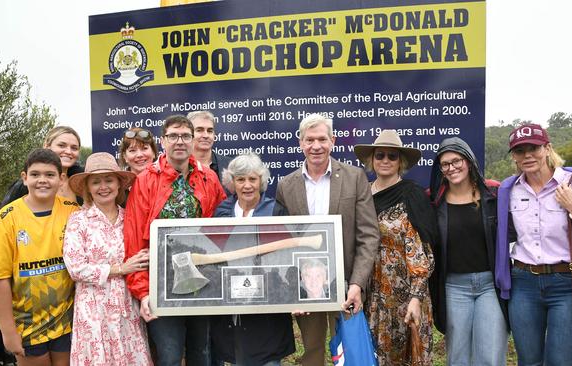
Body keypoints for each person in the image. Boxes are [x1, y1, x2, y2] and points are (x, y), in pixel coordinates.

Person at [495, 124, 572, 365]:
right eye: (519, 151)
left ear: (547, 148)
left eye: (534, 148)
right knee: (528, 362)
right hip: (523, 284)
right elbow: (502, 233)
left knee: (559, 362)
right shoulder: (509, 189)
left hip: (567, 285)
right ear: (514, 157)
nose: (527, 155)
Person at [275, 113, 380, 366]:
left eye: (322, 138)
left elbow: (368, 235)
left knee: (350, 351)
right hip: (305, 286)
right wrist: (291, 287)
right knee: (311, 353)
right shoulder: (286, 186)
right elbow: (283, 241)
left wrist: (357, 284)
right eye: (309, 139)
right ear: (300, 142)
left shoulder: (355, 178)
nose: (316, 146)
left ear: (332, 140)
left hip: (345, 286)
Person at [123, 114, 226, 366]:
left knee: (201, 354)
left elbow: (223, 227)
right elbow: (134, 240)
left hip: (203, 282)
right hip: (162, 286)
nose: (179, 141)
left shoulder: (208, 178)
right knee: (169, 356)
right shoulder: (146, 180)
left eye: (185, 136)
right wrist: (143, 291)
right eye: (173, 136)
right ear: (163, 140)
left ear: (193, 141)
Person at [0, 148, 79, 365]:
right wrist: (8, 332)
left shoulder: (72, 211)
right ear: (24, 178)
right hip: (27, 323)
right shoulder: (7, 217)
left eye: (49, 175)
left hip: (67, 321)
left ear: (61, 178)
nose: (42, 181)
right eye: (35, 174)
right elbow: (0, 279)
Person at [353, 129, 437, 365]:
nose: (386, 161)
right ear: (372, 159)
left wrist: (416, 298)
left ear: (401, 162)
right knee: (374, 356)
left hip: (405, 293)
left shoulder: (412, 195)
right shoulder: (362, 194)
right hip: (370, 292)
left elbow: (421, 251)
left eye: (392, 156)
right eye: (380, 155)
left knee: (405, 356)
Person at [63, 152, 152, 365]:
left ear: (119, 184)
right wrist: (120, 268)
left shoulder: (130, 218)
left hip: (126, 305)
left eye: (109, 180)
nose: (103, 186)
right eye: (96, 181)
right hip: (93, 309)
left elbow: (142, 256)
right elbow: (76, 269)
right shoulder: (78, 220)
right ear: (88, 188)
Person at [210, 153, 295, 366]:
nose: (247, 185)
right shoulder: (221, 213)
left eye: (252, 179)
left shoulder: (276, 211)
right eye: (240, 179)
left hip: (268, 304)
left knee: (268, 360)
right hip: (233, 304)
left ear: (261, 181)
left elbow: (286, 258)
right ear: (232, 183)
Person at [429, 137, 508, 366]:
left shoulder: (493, 194)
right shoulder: (434, 200)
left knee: (490, 356)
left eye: (457, 161)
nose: (452, 168)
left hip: (489, 285)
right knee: (458, 356)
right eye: (445, 164)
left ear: (469, 161)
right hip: (454, 286)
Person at [1, 126, 83, 206]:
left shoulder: (81, 182)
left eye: (74, 148)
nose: (68, 151)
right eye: (61, 145)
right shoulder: (25, 185)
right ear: (46, 146)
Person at [187, 110, 233, 190]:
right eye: (199, 130)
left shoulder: (231, 166)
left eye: (210, 131)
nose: (206, 135)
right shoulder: (178, 167)